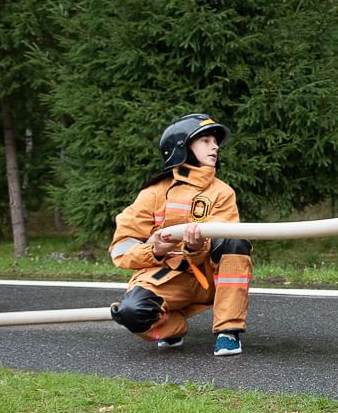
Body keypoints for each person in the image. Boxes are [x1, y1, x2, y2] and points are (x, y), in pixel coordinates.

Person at [108, 114, 253, 355]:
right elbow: (121, 248)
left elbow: (224, 240)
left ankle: (229, 331)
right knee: (130, 313)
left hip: (206, 279)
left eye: (215, 142)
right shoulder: (153, 193)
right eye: (205, 141)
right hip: (166, 280)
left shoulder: (222, 193)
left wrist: (195, 248)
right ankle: (171, 329)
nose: (215, 146)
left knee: (235, 240)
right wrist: (153, 249)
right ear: (182, 147)